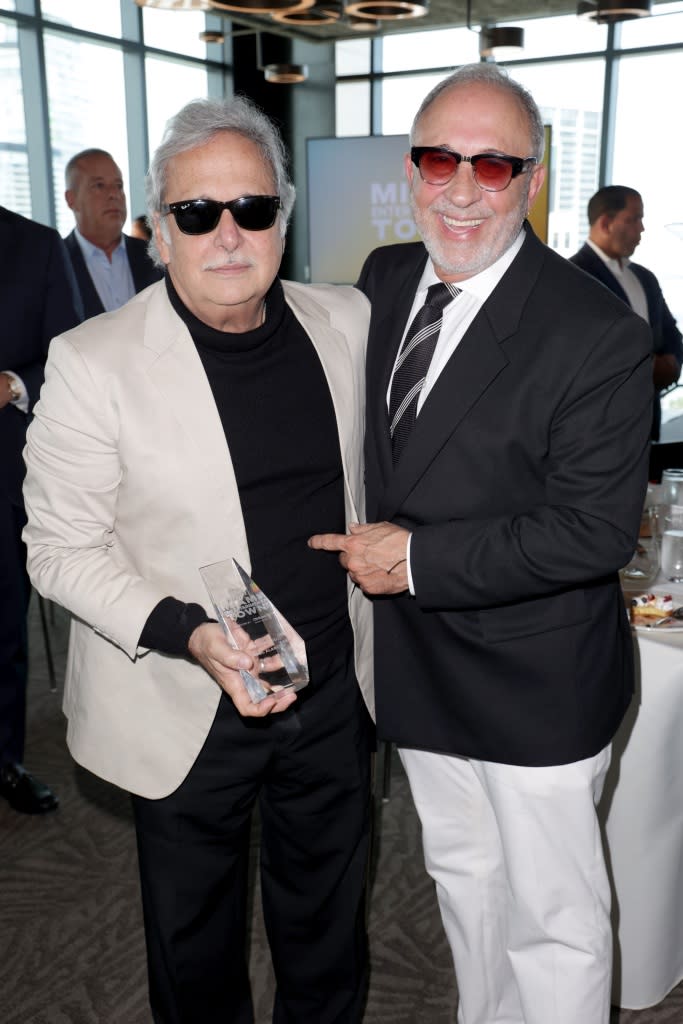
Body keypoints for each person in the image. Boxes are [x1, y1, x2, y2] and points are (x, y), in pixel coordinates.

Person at [309, 64, 652, 1024]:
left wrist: (413, 560)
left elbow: (590, 531)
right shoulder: (382, 276)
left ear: (532, 181)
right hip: (418, 668)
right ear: (410, 169)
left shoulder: (593, 331)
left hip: (533, 677)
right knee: (464, 888)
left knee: (554, 921)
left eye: (492, 166)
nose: (460, 190)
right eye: (437, 160)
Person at [23, 96, 373, 1024]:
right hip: (185, 696)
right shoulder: (92, 360)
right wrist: (187, 634)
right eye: (196, 213)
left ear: (282, 222)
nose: (228, 235)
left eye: (252, 210)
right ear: (158, 231)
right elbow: (56, 549)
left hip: (333, 689)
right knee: (195, 946)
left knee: (328, 930)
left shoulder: (346, 322)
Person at [0, 205, 82, 814]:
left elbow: (65, 353)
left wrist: (12, 384)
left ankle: (5, 762)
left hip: (5, 473)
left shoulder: (33, 245)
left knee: (4, 628)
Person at [570, 185, 682, 441]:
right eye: (634, 219)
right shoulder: (572, 276)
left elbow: (672, 335)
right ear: (606, 222)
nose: (641, 228)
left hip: (646, 420)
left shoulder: (644, 277)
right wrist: (649, 368)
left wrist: (671, 364)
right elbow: (586, 353)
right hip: (597, 426)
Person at [64, 148, 162, 318]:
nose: (114, 194)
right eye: (99, 185)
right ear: (71, 199)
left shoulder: (155, 255)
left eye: (119, 186)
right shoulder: (57, 262)